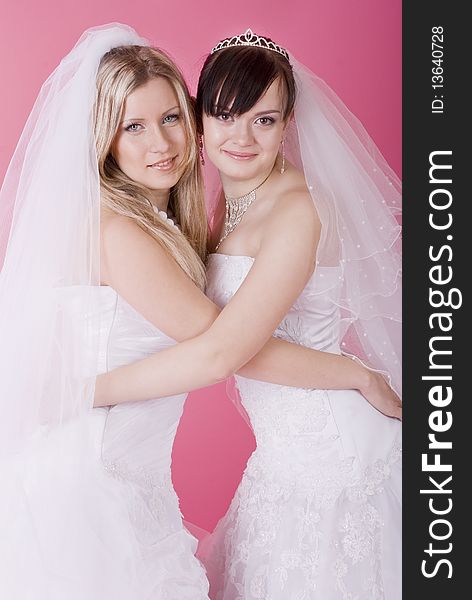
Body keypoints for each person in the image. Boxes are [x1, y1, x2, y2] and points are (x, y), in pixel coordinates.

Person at [0, 23, 397, 599]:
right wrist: (358, 373)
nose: (160, 144)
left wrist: (79, 389)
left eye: (168, 119)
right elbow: (219, 349)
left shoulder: (229, 213)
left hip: (305, 456)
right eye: (132, 126)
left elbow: (222, 347)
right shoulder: (124, 232)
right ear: (102, 138)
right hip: (100, 470)